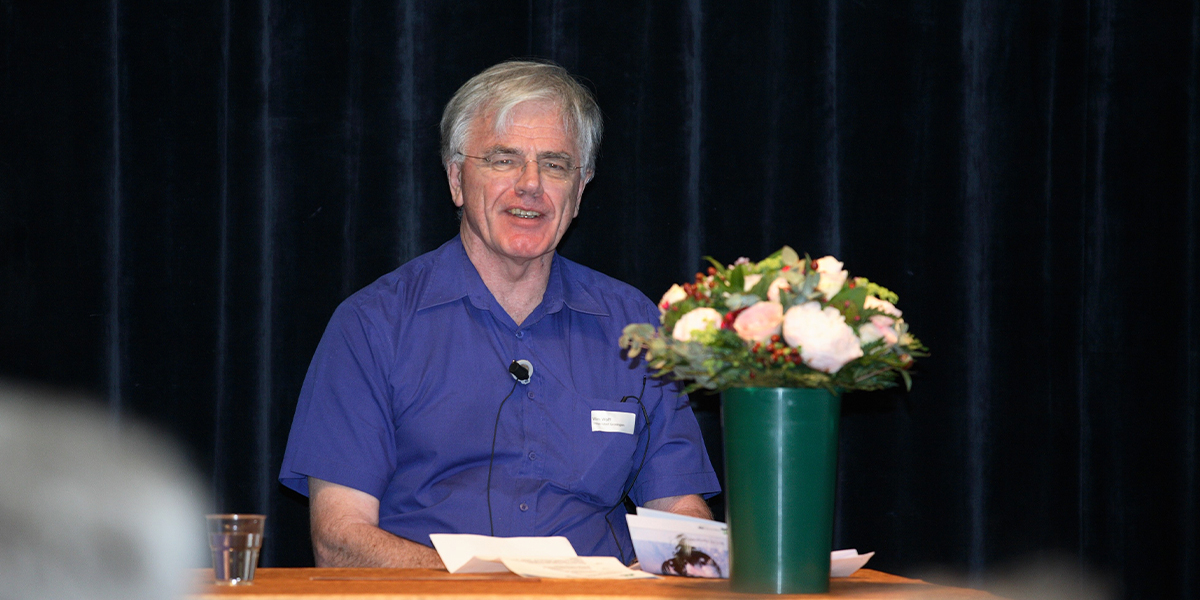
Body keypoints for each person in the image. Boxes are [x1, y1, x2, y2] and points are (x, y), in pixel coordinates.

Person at [278, 60, 719, 568]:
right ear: (456, 180)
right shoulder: (374, 325)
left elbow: (680, 506)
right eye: (503, 160)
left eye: (555, 164)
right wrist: (490, 583)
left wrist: (682, 563)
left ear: (580, 190)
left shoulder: (633, 324)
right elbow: (340, 542)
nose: (530, 184)